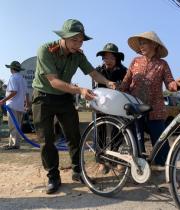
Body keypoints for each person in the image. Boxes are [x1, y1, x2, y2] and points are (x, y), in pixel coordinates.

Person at [32, 19, 116, 194]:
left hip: (64, 98)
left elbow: (92, 73)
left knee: (74, 136)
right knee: (47, 140)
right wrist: (79, 90)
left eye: (81, 41)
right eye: (74, 40)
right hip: (43, 97)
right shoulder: (45, 50)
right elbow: (54, 81)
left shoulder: (78, 54)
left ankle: (78, 172)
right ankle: (53, 177)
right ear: (63, 37)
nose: (78, 44)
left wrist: (108, 82)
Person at [120, 31, 180, 167]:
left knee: (160, 142)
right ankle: (139, 169)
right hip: (135, 108)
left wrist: (178, 84)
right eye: (140, 43)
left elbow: (170, 83)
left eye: (144, 42)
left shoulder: (162, 64)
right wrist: (117, 90)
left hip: (155, 109)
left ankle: (166, 171)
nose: (141, 46)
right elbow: (125, 83)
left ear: (154, 45)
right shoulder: (135, 61)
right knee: (135, 142)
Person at [93, 43, 127, 174]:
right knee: (100, 132)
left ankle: (115, 159)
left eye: (111, 58)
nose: (108, 61)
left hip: (117, 107)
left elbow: (126, 88)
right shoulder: (98, 71)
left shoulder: (124, 71)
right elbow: (95, 89)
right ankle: (101, 161)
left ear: (117, 59)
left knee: (117, 133)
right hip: (101, 106)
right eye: (105, 58)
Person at [0, 61, 29, 150]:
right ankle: (13, 143)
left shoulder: (13, 78)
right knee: (17, 126)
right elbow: (27, 94)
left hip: (12, 105)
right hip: (20, 106)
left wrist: (3, 100)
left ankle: (14, 144)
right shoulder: (23, 79)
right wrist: (27, 104)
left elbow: (14, 91)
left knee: (13, 126)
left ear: (12, 69)